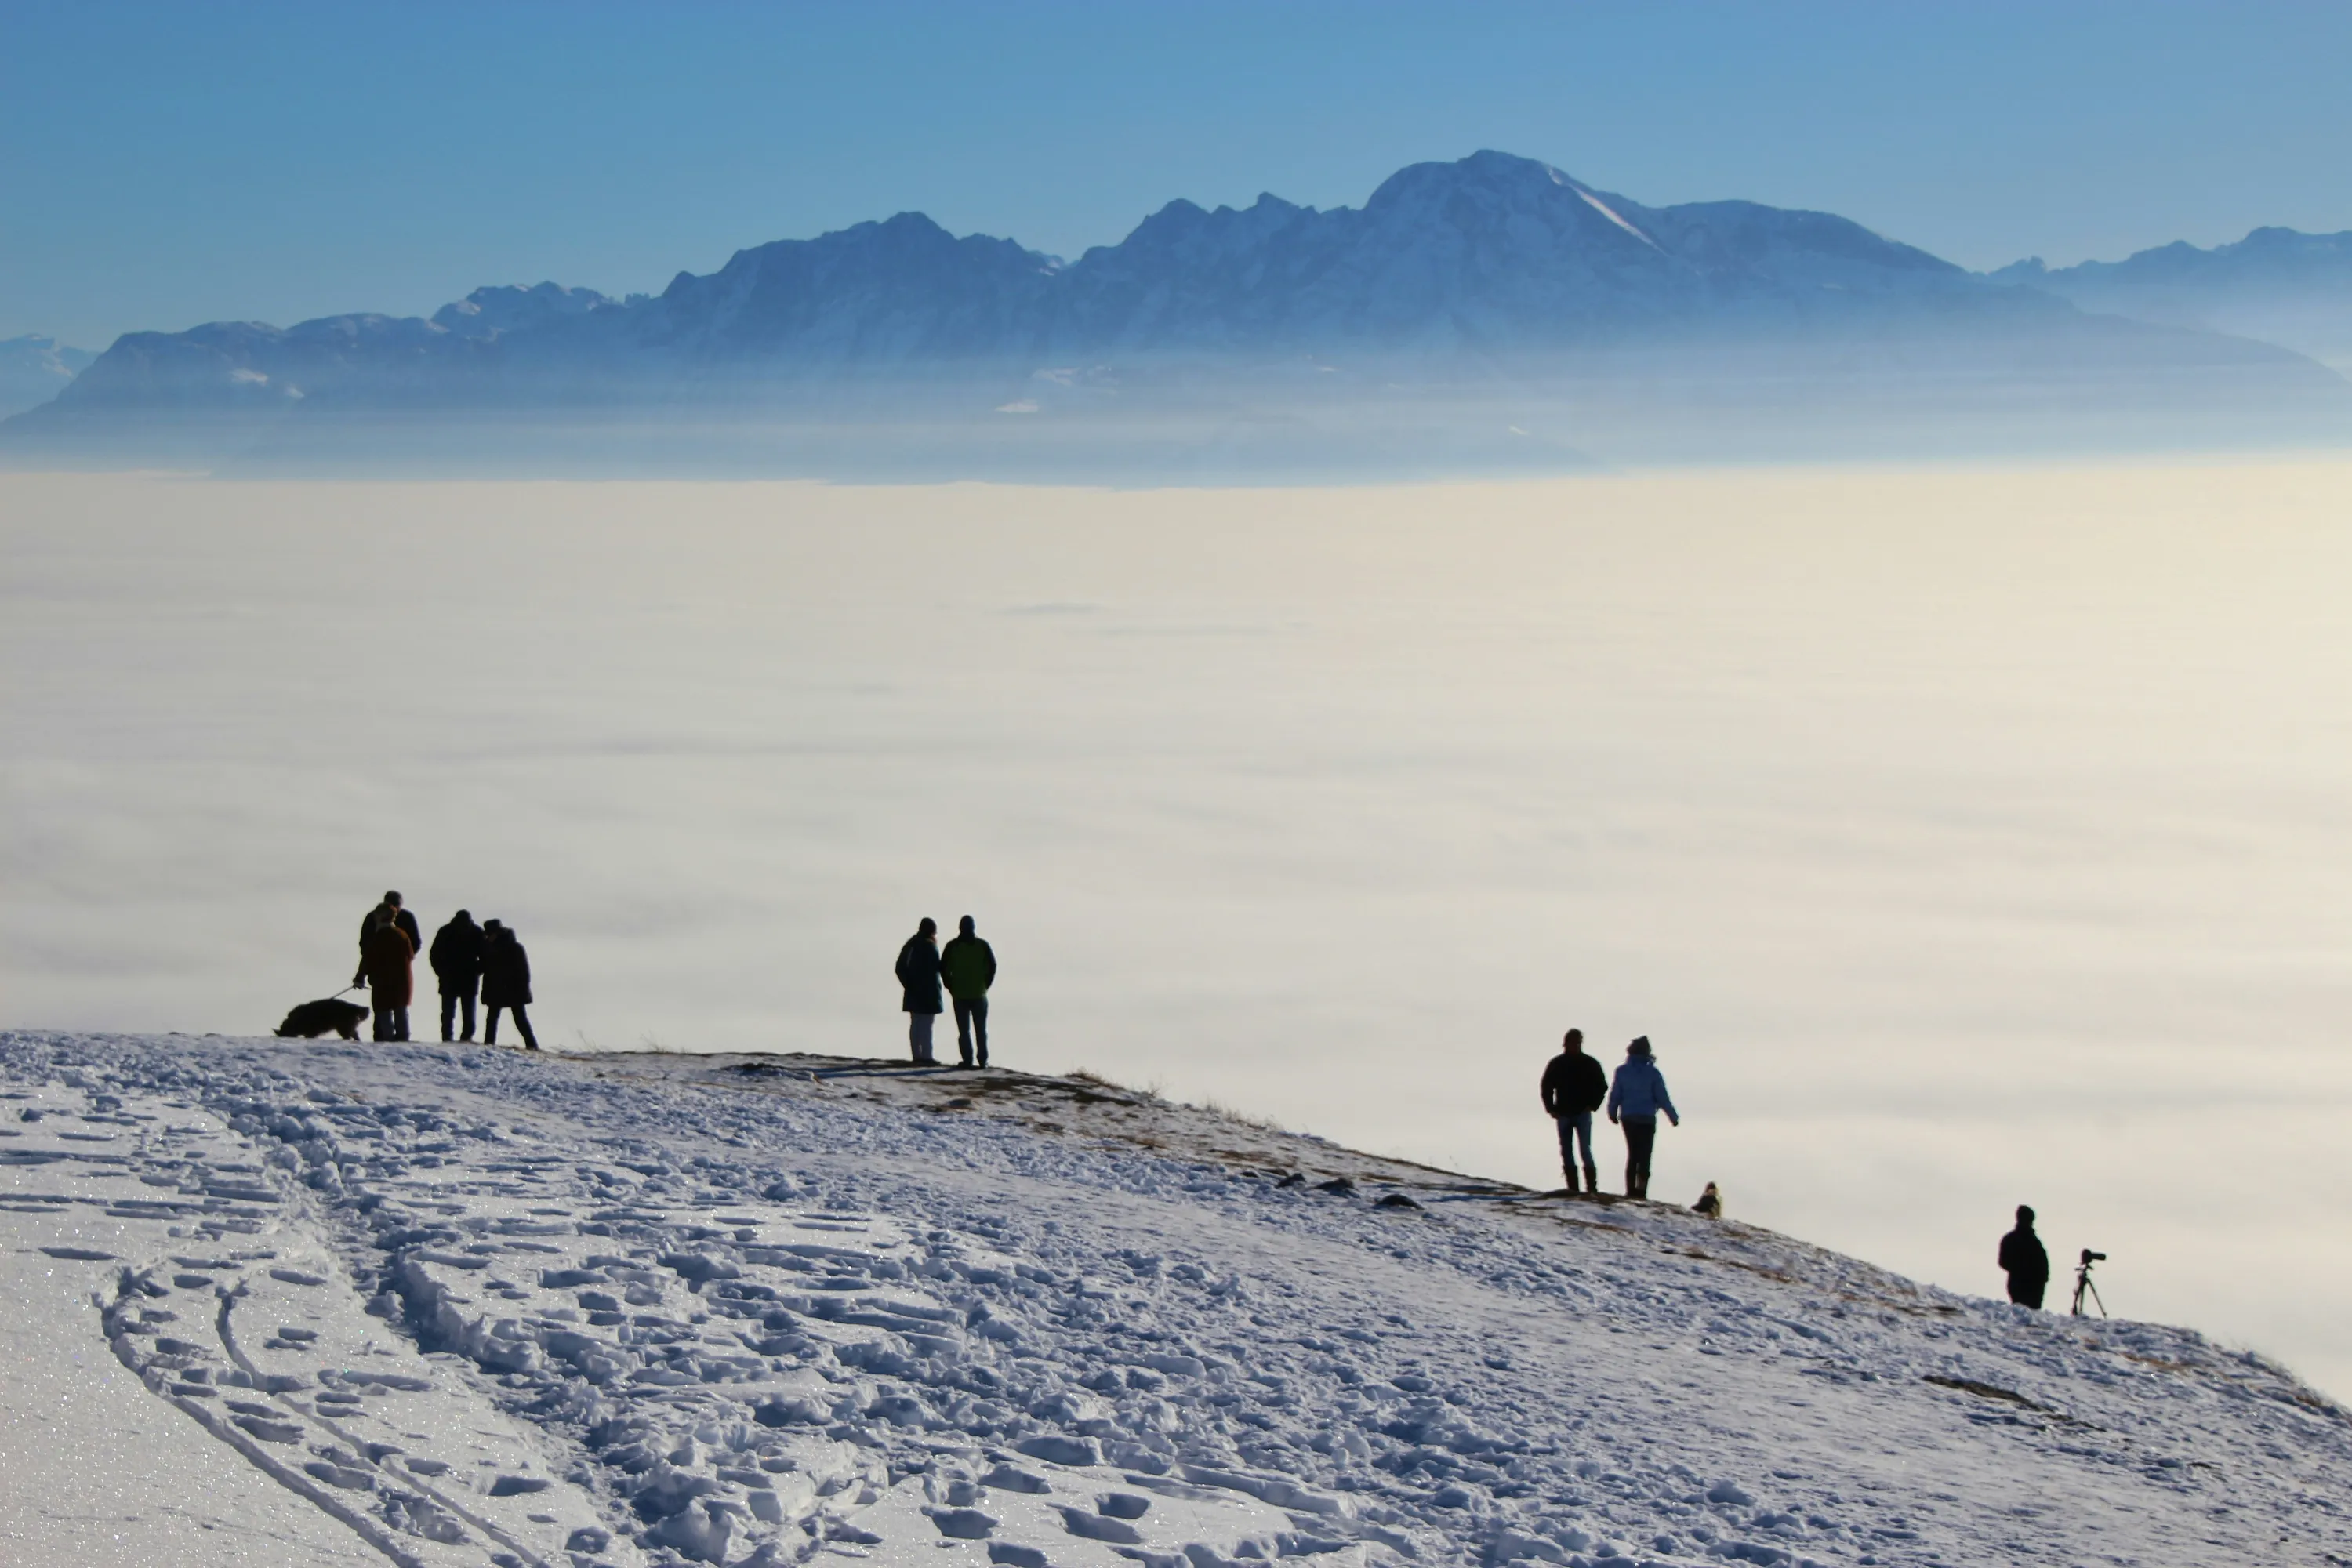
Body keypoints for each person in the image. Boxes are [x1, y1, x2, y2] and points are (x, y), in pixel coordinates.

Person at [1605, 1035, 1679, 1200]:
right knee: (1645, 1156)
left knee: (1633, 1154)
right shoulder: (1653, 1073)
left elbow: (1616, 1094)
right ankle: (1641, 1191)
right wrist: (1673, 1117)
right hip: (1647, 1118)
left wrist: (1612, 1112)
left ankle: (1630, 1190)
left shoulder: (1622, 1071)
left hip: (1629, 1117)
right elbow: (1662, 1097)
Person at [1537, 1028, 1607, 1195]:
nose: (1575, 1045)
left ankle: (1591, 1188)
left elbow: (1602, 1086)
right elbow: (1546, 1086)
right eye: (1572, 1042)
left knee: (1584, 1150)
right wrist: (1551, 1109)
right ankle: (1573, 1189)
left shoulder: (1590, 1063)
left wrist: (1593, 1105)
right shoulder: (1557, 1063)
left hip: (1581, 1113)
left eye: (1577, 1042)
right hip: (1564, 1113)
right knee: (1567, 1150)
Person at [939, 915, 997, 1068]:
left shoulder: (952, 946)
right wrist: (986, 985)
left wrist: (950, 986)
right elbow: (993, 967)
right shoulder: (982, 945)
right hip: (979, 994)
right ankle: (983, 1061)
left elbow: (943, 969)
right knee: (981, 1030)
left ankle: (967, 1060)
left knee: (964, 1031)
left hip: (959, 994)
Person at [358, 907, 416, 1042]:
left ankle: (389, 1043)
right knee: (401, 1012)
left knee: (384, 1014)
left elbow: (368, 959)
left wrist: (360, 978)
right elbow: (411, 955)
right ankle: (403, 1041)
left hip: (382, 982)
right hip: (403, 981)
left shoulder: (378, 937)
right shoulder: (402, 935)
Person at [480, 919, 539, 1051]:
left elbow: (523, 971)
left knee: (518, 1018)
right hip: (498, 988)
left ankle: (532, 1044)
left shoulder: (513, 948)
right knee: (494, 1018)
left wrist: (522, 988)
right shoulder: (492, 947)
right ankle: (489, 1044)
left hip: (512, 989)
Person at [429, 909, 487, 1043]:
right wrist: (442, 972)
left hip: (458, 978)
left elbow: (434, 955)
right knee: (459, 1013)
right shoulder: (476, 932)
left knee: (454, 1013)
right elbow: (435, 955)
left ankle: (453, 1038)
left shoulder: (446, 931)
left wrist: (441, 972)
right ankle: (460, 1038)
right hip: (459, 978)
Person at [895, 918, 943, 1064]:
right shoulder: (930, 946)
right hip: (929, 992)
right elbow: (937, 969)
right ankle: (927, 1056)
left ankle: (917, 1056)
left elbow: (900, 967)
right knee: (927, 1024)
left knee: (915, 1023)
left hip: (914, 991)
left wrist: (908, 985)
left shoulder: (911, 945)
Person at [354, 891, 423, 983]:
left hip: (394, 973)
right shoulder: (373, 918)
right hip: (388, 973)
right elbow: (366, 947)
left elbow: (367, 948)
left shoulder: (405, 921)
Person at [1998, 1204, 2049, 1309]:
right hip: (2020, 1286)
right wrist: (2021, 1270)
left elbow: (2043, 1265)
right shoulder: (2013, 1239)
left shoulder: (2033, 1241)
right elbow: (2003, 1261)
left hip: (2033, 1288)